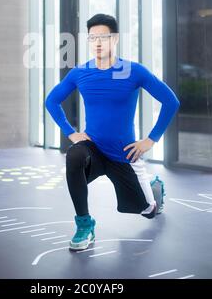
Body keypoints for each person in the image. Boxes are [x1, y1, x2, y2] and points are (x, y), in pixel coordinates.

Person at [45, 13, 180, 251]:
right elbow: (52, 101)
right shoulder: (80, 73)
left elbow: (171, 101)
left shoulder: (134, 71)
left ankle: (155, 192)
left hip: (125, 155)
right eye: (92, 38)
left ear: (115, 39)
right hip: (93, 151)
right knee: (74, 155)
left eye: (104, 37)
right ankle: (85, 224)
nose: (98, 42)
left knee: (147, 211)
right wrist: (71, 133)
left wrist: (150, 140)